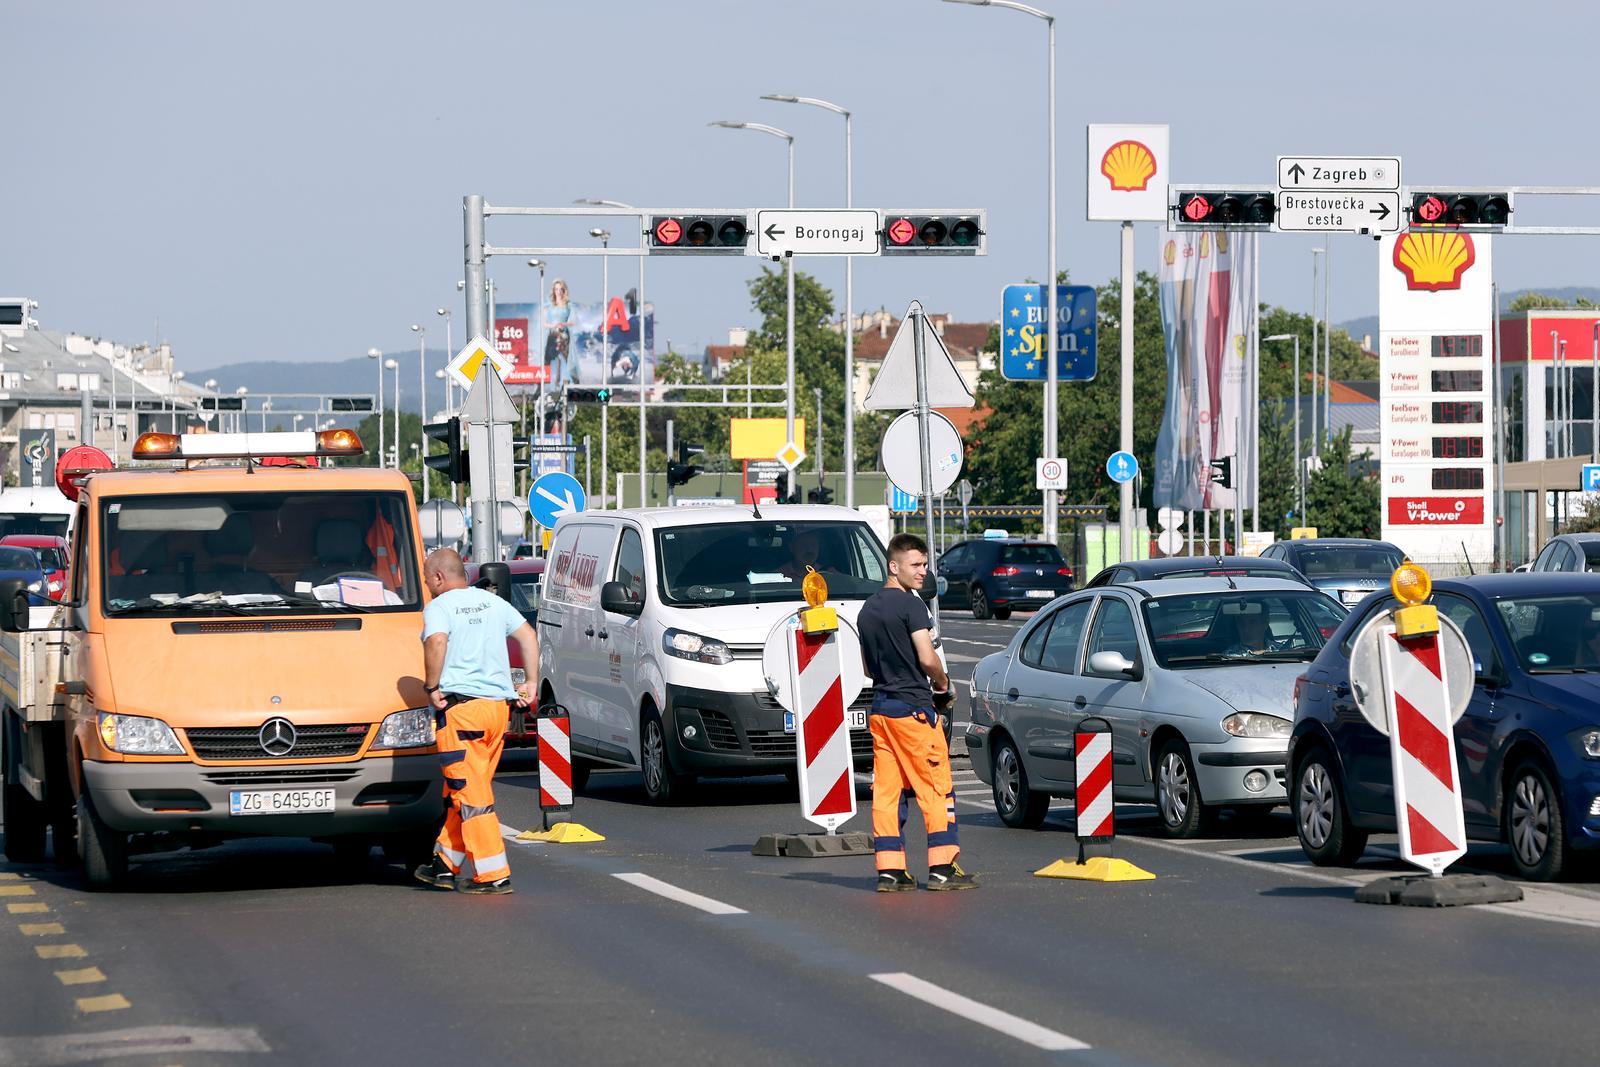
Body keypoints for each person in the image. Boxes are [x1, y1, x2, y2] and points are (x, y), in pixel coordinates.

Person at [412, 548, 539, 895]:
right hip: (497, 712)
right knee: (464, 790)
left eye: (427, 580)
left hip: (462, 712)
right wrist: (530, 683)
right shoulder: (491, 602)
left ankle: (493, 874)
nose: (427, 587)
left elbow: (437, 641)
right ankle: (444, 865)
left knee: (472, 797)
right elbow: (528, 636)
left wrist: (432, 686)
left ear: (438, 578)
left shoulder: (439, 607)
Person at [857, 533, 976, 892]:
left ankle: (890, 871)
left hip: (881, 711)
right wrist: (942, 683)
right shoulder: (912, 606)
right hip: (914, 711)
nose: (923, 572)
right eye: (916, 565)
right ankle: (942, 867)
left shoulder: (866, 610)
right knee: (936, 789)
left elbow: (866, 668)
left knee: (887, 794)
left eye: (925, 564)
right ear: (894, 567)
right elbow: (927, 657)